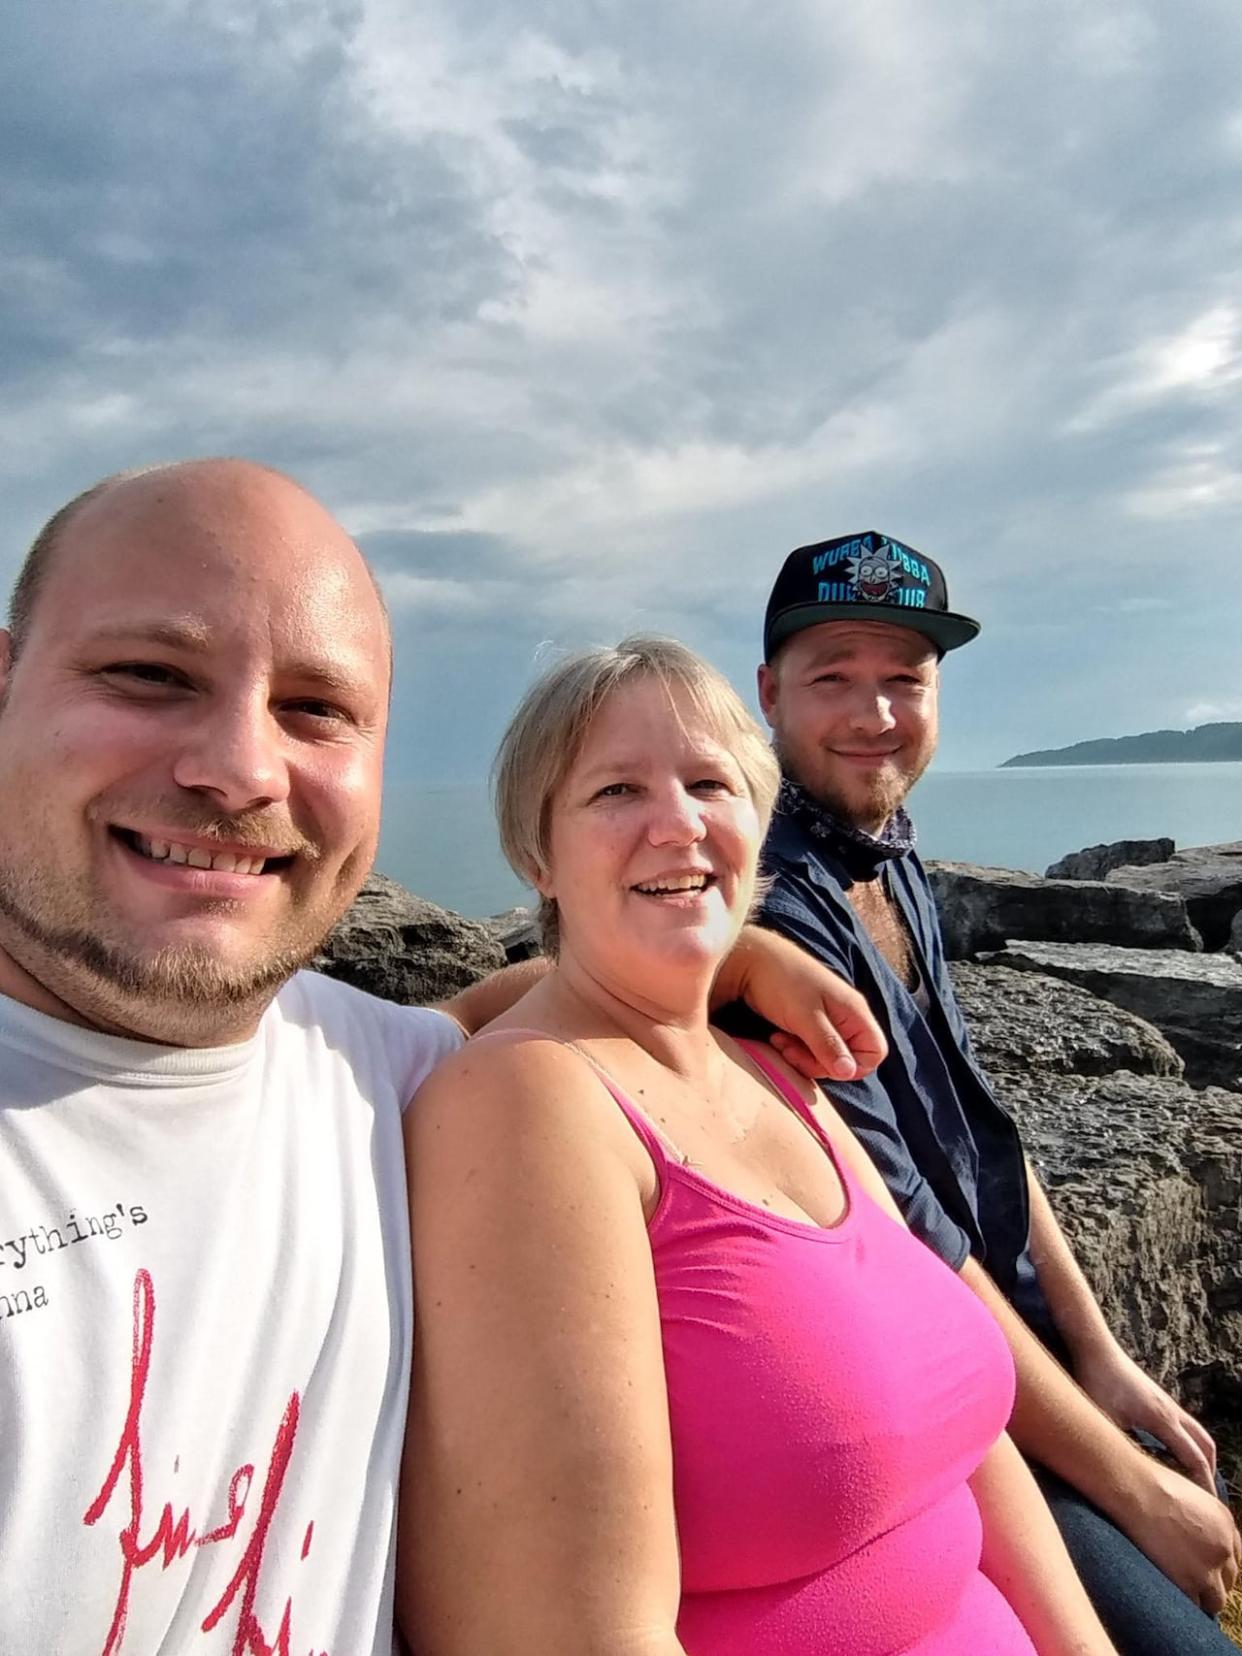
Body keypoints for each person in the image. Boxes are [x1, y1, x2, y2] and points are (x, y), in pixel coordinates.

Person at [0, 462, 885, 1655]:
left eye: (317, 708)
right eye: (149, 675)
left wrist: (724, 961)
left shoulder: (388, 1067)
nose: (241, 768)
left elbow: (526, 1003)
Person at [398, 635, 1118, 1655]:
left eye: (711, 783)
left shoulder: (779, 1071)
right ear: (535, 855)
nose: (680, 822)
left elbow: (970, 1447)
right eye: (615, 792)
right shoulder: (530, 1102)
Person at [747, 528, 1242, 1652]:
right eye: (835, 679)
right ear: (770, 692)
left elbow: (984, 1130)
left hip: (1020, 1349)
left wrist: (1104, 1351)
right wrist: (1126, 1484)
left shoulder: (892, 859)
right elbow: (917, 1250)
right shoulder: (774, 917)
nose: (876, 715)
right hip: (945, 1392)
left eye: (904, 681)